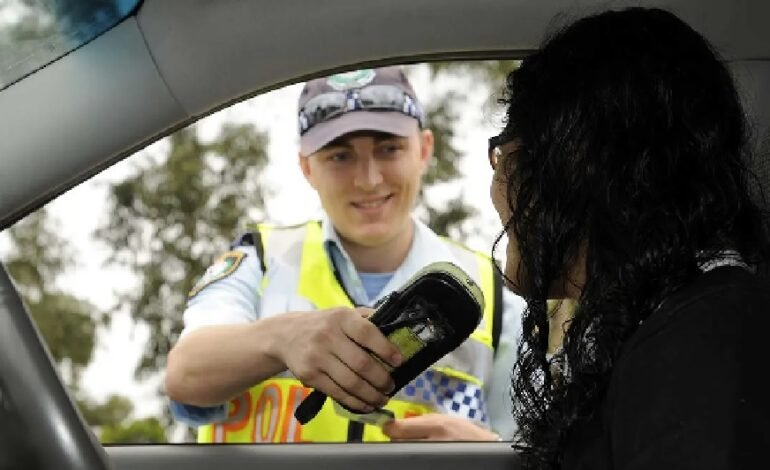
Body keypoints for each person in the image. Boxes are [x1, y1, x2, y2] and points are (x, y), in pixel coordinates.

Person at [165, 66, 525, 443]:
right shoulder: (261, 257)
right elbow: (184, 375)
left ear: (424, 150)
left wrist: (489, 454)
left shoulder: (495, 291)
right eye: (339, 156)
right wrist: (281, 338)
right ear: (307, 167)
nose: (368, 179)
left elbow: (531, 446)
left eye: (389, 149)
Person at [488, 6, 770, 469]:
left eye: (503, 154)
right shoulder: (661, 326)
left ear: (568, 166)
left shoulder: (700, 346)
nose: (498, 187)